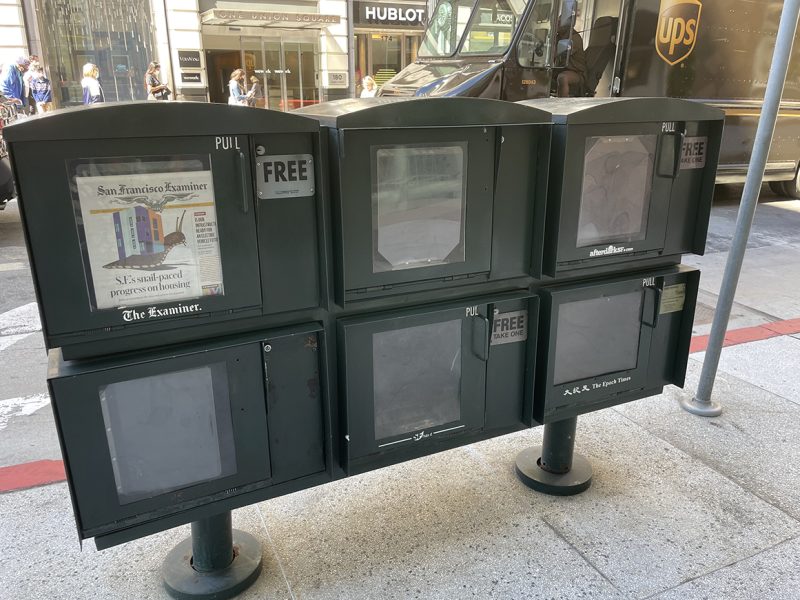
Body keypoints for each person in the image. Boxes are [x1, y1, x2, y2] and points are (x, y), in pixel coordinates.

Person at [556, 24, 587, 97]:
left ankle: (561, 106)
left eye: (559, 22)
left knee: (562, 78)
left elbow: (556, 53)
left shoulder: (574, 38)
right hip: (560, 69)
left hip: (577, 72)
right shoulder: (559, 36)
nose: (555, 24)